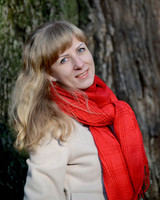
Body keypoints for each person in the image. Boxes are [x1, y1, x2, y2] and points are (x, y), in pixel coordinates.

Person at [10, 21, 150, 200]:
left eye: (81, 50)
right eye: (64, 60)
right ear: (49, 74)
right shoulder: (53, 125)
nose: (79, 64)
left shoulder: (107, 108)